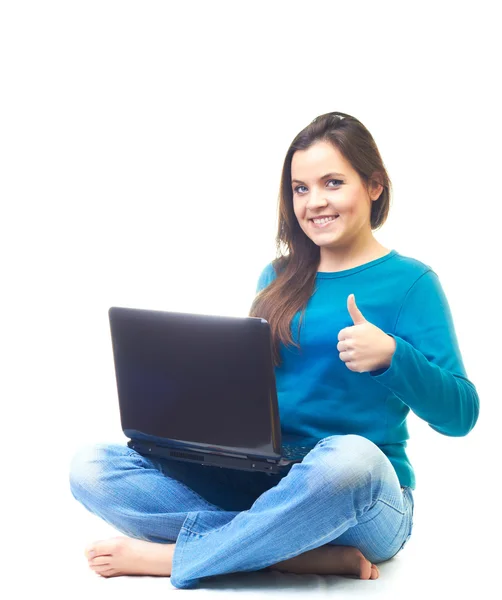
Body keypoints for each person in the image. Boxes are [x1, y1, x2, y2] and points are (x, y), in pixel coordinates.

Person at [69, 111, 479, 589]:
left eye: (332, 183)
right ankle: (295, 552)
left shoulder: (413, 283)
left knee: (353, 458)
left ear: (374, 186)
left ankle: (180, 557)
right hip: (269, 480)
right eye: (300, 189)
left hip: (360, 495)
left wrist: (392, 357)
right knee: (91, 467)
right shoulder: (278, 277)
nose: (314, 202)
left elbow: (461, 415)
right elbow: (250, 394)